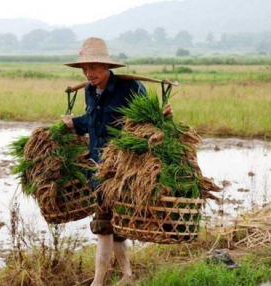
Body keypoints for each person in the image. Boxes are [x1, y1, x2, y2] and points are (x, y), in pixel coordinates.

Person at [62, 37, 173, 286]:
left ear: (106, 67)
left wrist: (161, 115)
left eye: (93, 68)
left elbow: (147, 122)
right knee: (111, 228)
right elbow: (92, 122)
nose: (88, 74)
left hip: (123, 171)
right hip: (99, 171)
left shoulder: (130, 89)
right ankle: (127, 277)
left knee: (106, 229)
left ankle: (98, 282)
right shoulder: (90, 91)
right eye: (85, 69)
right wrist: (73, 123)